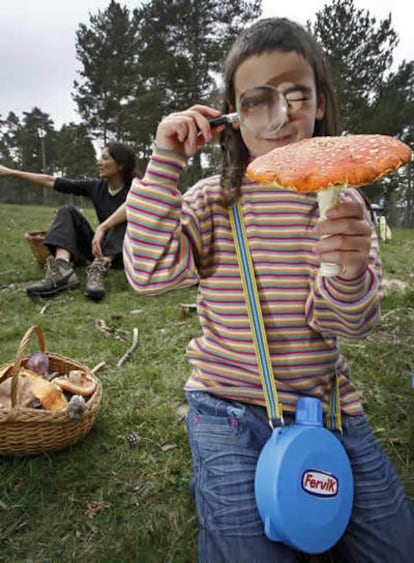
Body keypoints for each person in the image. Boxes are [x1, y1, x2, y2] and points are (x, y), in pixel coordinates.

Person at [123, 18, 414, 563]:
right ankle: (223, 481)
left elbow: (350, 323)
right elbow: (149, 272)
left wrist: (349, 274)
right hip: (224, 405)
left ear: (320, 103)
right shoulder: (213, 200)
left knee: (395, 547)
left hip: (327, 408)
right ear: (233, 117)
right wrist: (166, 160)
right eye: (258, 101)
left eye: (296, 95)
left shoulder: (344, 203)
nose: (279, 116)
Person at [0, 141, 137, 300]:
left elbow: (133, 208)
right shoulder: (96, 186)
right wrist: (12, 172)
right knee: (67, 211)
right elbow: (50, 181)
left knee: (129, 215)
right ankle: (62, 270)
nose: (99, 162)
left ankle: (99, 269)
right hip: (99, 250)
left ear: (120, 165)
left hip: (125, 252)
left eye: (105, 158)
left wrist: (102, 228)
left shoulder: (137, 188)